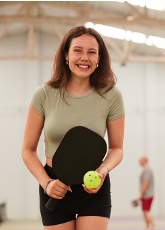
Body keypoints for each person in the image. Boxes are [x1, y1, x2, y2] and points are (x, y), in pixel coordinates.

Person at [21, 26, 125, 230]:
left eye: (91, 52)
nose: (84, 57)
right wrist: (47, 183)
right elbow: (27, 150)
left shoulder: (112, 96)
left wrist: (103, 171)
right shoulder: (43, 95)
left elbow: (117, 149)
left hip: (94, 188)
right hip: (53, 186)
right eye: (78, 50)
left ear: (99, 59)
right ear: (66, 55)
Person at [139, 156, 155, 230]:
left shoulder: (147, 170)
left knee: (146, 211)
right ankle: (148, 227)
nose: (139, 161)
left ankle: (153, 226)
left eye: (141, 160)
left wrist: (141, 194)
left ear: (145, 161)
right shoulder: (146, 170)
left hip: (147, 195)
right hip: (147, 194)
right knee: (145, 211)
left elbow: (146, 183)